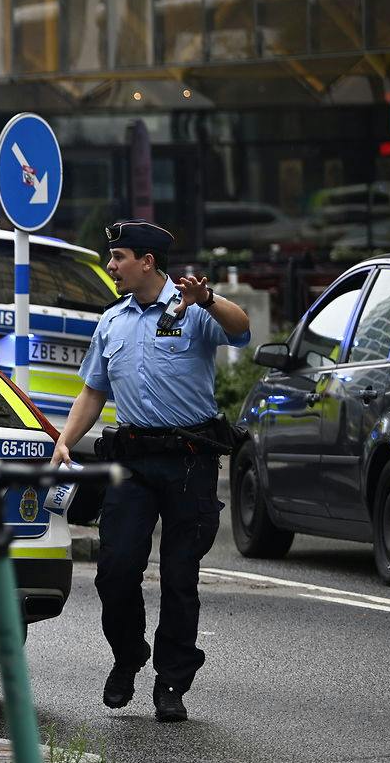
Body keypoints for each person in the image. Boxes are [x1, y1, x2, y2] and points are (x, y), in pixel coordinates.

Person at [50, 219, 251, 723]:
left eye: (119, 258)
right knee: (115, 572)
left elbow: (241, 327)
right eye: (112, 256)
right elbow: (93, 391)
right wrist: (64, 441)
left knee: (180, 577)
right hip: (132, 462)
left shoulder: (191, 310)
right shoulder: (112, 320)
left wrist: (207, 300)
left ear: (147, 262)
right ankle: (128, 655)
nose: (111, 266)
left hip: (189, 462)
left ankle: (172, 681)